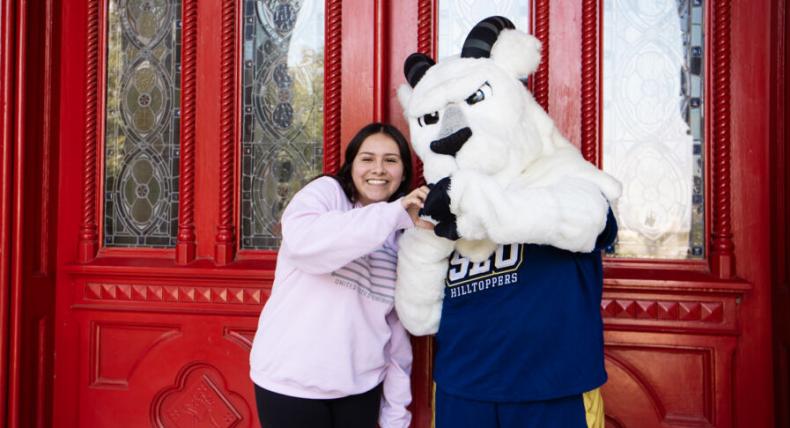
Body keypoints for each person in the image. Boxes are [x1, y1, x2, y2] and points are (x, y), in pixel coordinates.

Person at [249, 122, 430, 428]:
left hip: (360, 389)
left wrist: (397, 416)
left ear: (403, 172)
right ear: (352, 164)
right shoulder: (327, 194)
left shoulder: (400, 234)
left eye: (391, 160)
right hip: (291, 383)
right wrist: (393, 213)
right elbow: (304, 243)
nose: (379, 169)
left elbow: (395, 334)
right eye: (367, 158)